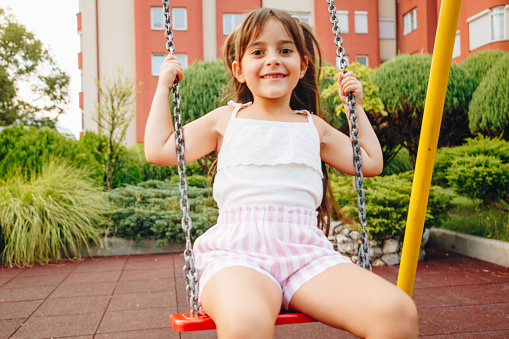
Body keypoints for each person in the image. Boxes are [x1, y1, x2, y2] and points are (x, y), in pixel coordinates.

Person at [145, 7, 418, 339]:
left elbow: (370, 162)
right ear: (239, 70)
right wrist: (163, 88)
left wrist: (354, 108)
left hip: (306, 255)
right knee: (246, 320)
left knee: (397, 313)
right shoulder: (225, 120)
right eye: (258, 52)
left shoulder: (313, 127)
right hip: (238, 254)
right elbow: (159, 149)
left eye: (285, 50)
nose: (272, 59)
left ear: (302, 65)